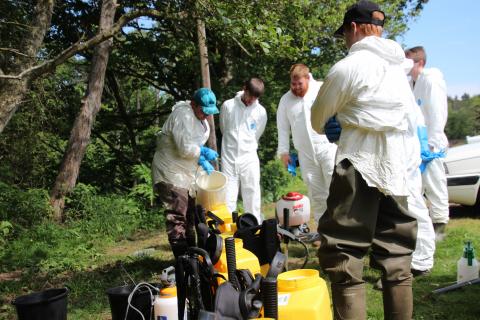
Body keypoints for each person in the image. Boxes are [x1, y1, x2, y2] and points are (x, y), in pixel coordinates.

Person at [310, 1, 417, 319]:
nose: (344, 39)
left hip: (357, 164)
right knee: (397, 253)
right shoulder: (399, 68)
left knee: (343, 252)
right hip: (396, 168)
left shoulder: (347, 67)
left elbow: (317, 120)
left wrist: (336, 122)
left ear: (353, 28)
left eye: (344, 32)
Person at [151, 88, 219, 258]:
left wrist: (201, 160)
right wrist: (202, 152)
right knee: (177, 216)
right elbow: (184, 149)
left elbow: (193, 144)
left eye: (208, 112)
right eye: (203, 110)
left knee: (191, 215)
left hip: (186, 173)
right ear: (193, 104)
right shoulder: (183, 116)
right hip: (170, 172)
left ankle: (193, 257)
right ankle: (182, 260)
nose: (206, 115)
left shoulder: (200, 118)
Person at [276, 64, 337, 233]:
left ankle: (341, 231)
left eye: (299, 84)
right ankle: (323, 232)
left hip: (328, 147)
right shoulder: (285, 100)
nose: (296, 88)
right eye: (293, 84)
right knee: (316, 193)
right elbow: (282, 127)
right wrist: (284, 152)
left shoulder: (322, 89)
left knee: (335, 189)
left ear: (308, 78)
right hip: (305, 154)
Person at [405, 46, 450, 242]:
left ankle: (440, 231)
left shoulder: (431, 80)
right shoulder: (410, 83)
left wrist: (431, 143)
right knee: (417, 189)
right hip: (416, 143)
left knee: (435, 186)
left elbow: (437, 113)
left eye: (409, 62)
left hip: (431, 144)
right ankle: (424, 231)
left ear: (420, 62)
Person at [220, 78, 267, 224]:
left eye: (255, 98)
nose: (251, 101)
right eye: (249, 96)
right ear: (244, 88)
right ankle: (227, 235)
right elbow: (223, 129)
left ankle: (254, 231)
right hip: (229, 158)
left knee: (252, 196)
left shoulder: (261, 112)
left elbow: (257, 134)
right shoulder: (228, 106)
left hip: (249, 159)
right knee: (228, 198)